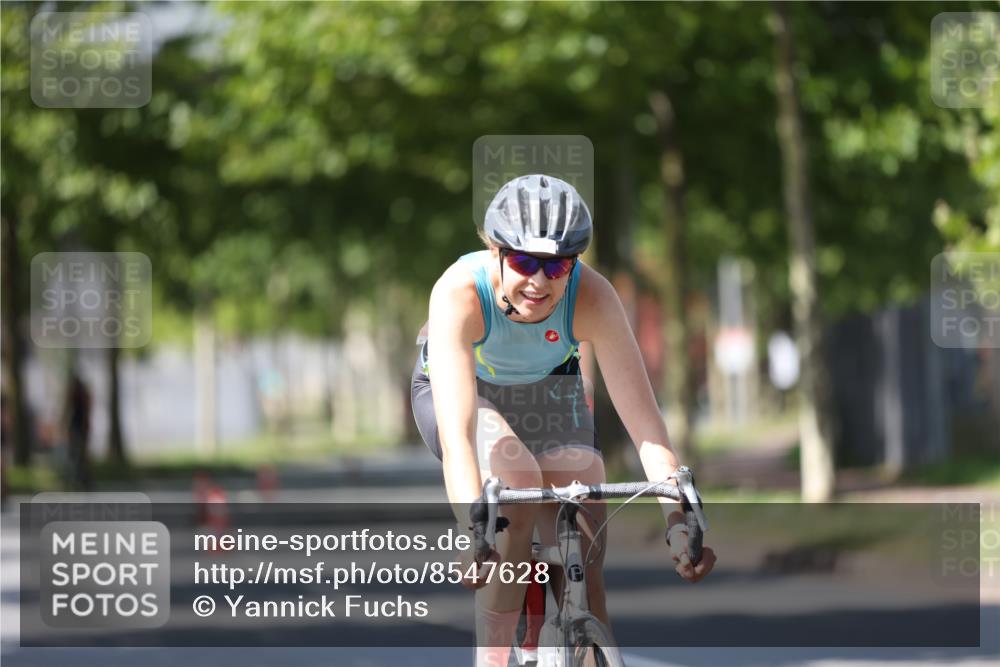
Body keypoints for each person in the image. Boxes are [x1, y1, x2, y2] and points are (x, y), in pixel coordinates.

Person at [410, 174, 716, 667]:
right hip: (467, 394)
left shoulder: (593, 297)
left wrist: (678, 524)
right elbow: (460, 436)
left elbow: (646, 429)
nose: (539, 281)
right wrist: (475, 536)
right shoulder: (459, 293)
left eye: (557, 267)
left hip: (551, 392)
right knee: (517, 479)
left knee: (586, 543)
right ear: (494, 251)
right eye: (525, 261)